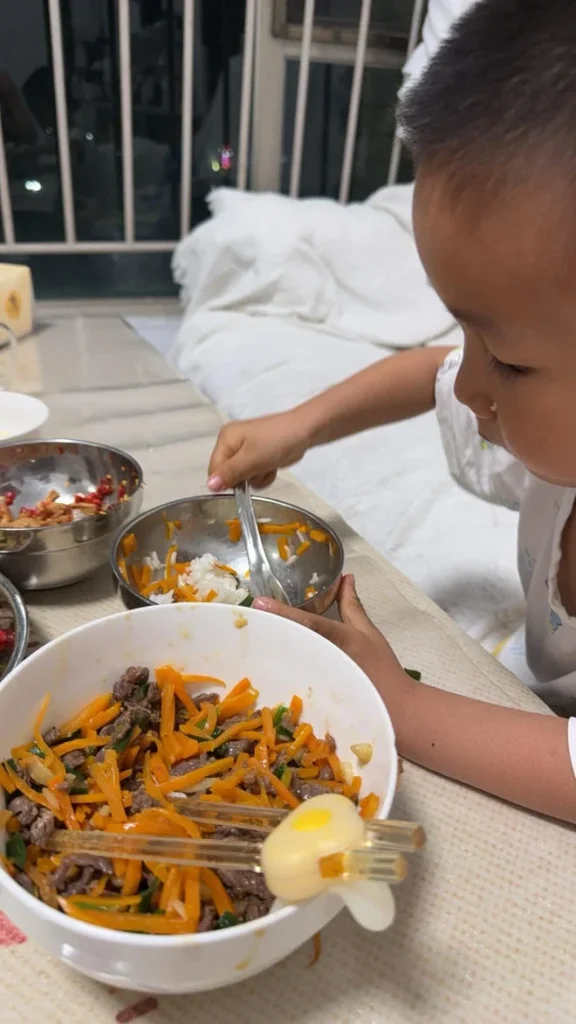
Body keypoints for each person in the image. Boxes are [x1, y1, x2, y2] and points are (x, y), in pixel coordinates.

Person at [205, 0, 576, 824]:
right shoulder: (552, 443)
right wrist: (298, 425)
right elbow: (431, 374)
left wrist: (399, 707)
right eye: (467, 333)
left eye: (510, 361)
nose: (473, 383)